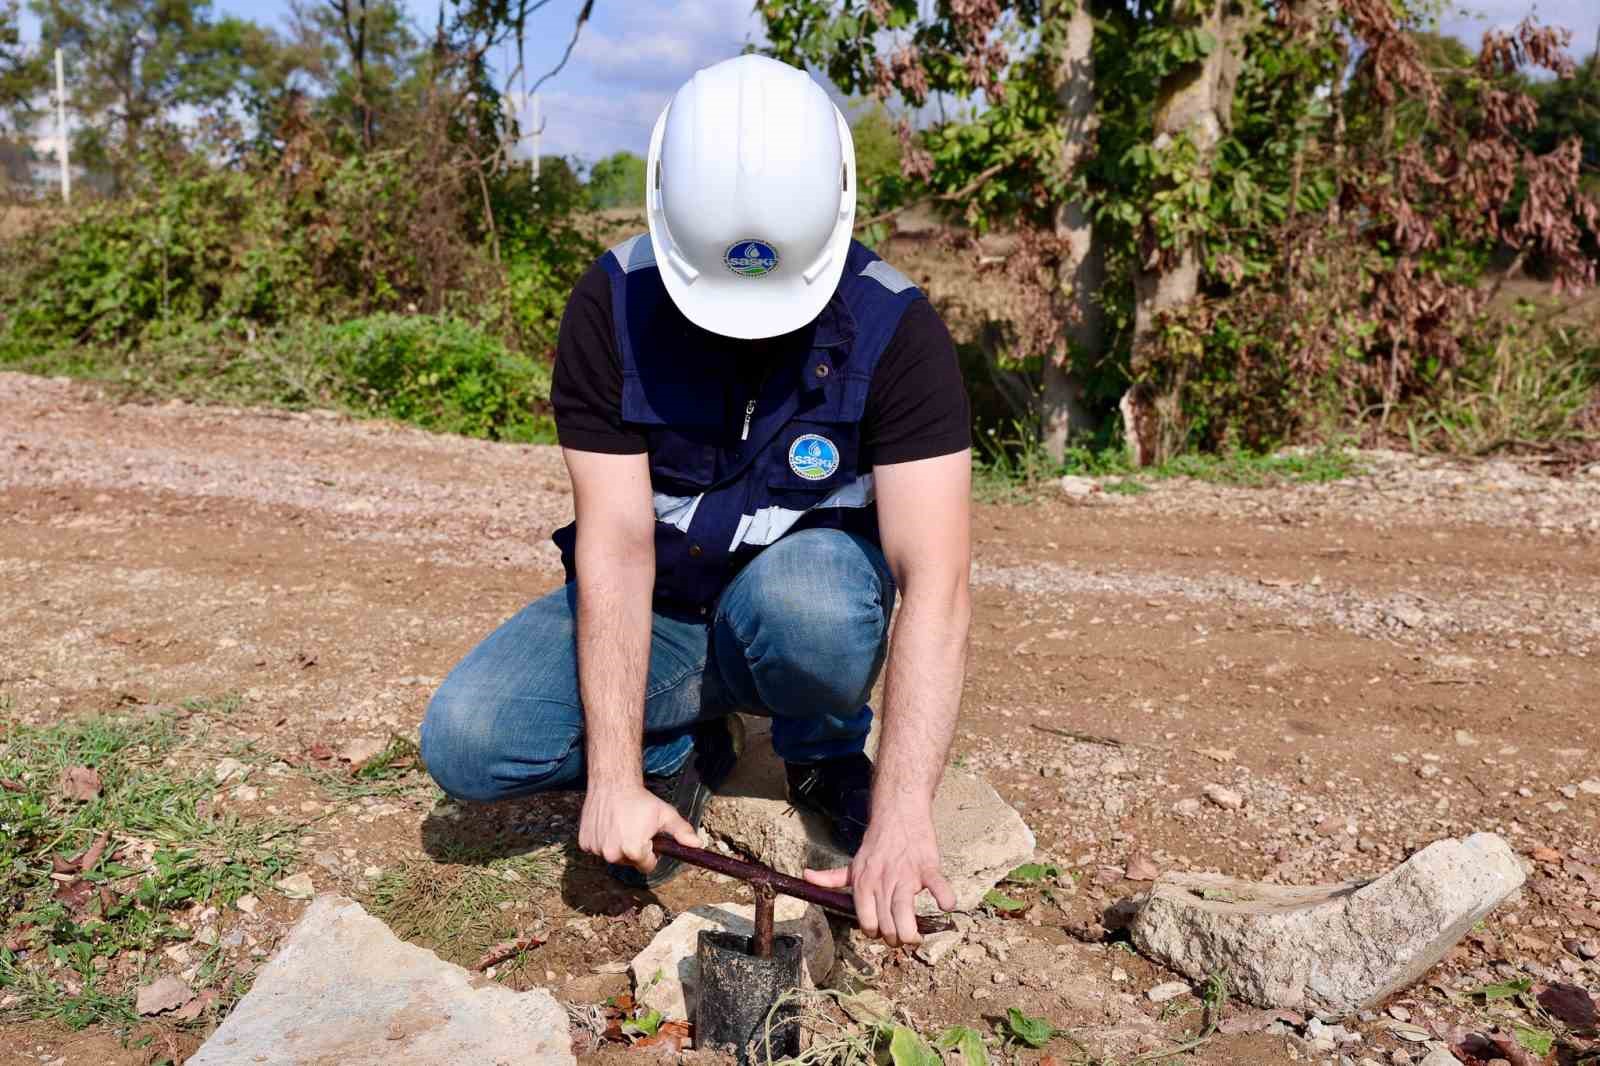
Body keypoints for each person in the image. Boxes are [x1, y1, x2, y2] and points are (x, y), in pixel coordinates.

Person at [421, 54, 972, 947]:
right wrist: (610, 773)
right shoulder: (611, 306)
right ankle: (679, 747)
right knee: (469, 741)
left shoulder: (898, 330)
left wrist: (907, 813)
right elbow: (616, 542)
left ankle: (822, 748)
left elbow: (937, 581)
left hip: (802, 604)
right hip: (667, 609)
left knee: (814, 606)